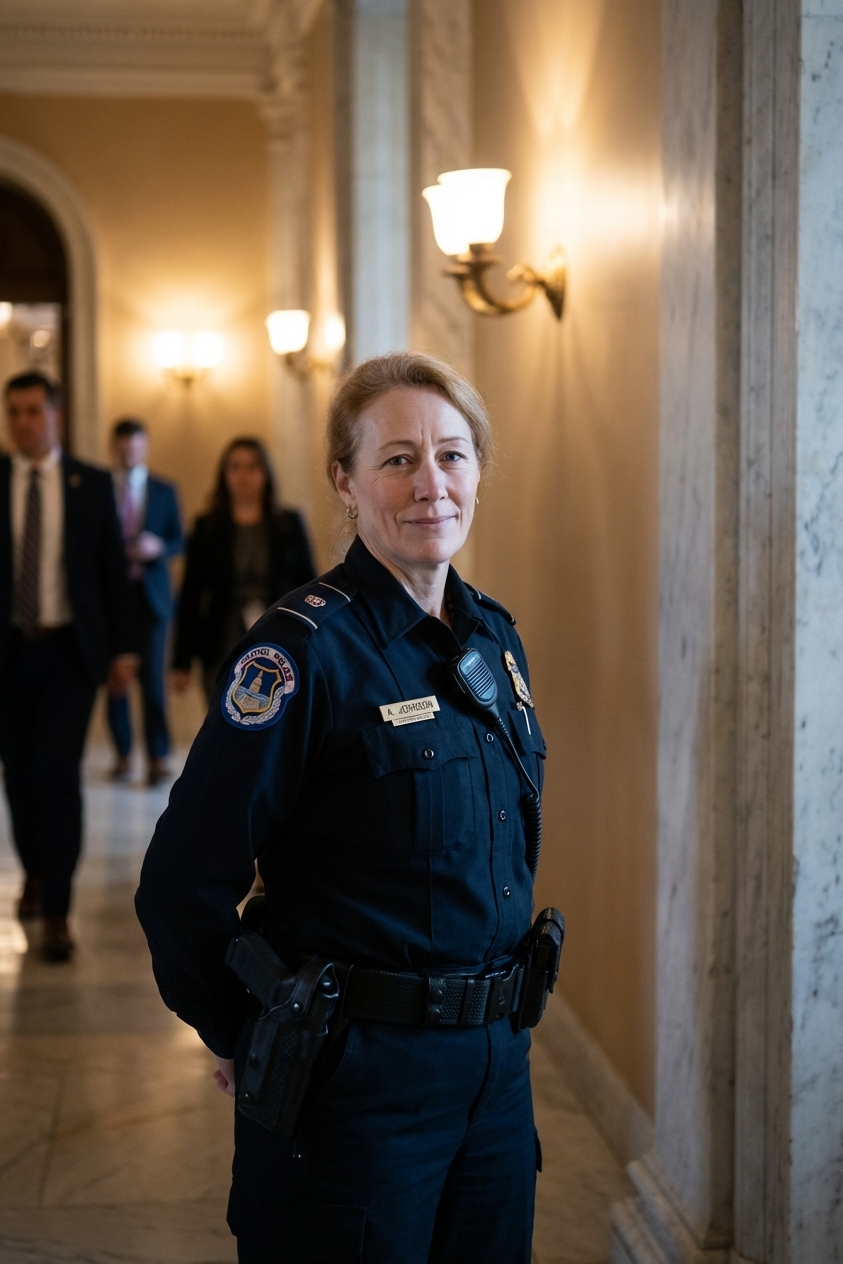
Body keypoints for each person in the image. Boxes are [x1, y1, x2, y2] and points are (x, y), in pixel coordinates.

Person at [136, 353, 550, 1263]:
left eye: (451, 454)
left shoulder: (495, 639)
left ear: (478, 470)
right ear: (346, 482)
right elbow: (180, 881)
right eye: (396, 458)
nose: (429, 484)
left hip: (494, 1075)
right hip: (357, 1084)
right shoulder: (302, 654)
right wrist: (246, 1031)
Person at [0, 372, 136, 961]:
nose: (24, 422)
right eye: (14, 413)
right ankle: (33, 871)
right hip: (7, 652)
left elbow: (113, 571)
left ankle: (57, 909)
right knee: (19, 777)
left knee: (56, 776)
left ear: (55, 413)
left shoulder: (89, 483)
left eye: (34, 411)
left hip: (67, 655)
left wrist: (123, 650)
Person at [171, 437, 315, 702]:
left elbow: (309, 588)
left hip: (279, 638)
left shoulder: (289, 525)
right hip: (220, 641)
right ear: (224, 475)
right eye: (235, 467)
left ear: (265, 473)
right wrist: (181, 662)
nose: (243, 475)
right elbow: (191, 594)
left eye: (252, 467)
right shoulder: (207, 527)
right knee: (224, 720)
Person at [107, 418, 183, 786]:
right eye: (123, 445)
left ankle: (157, 756)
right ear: (115, 447)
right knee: (115, 682)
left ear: (145, 447)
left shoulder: (165, 490)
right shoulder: (101, 488)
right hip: (113, 598)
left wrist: (158, 547)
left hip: (152, 597)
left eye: (135, 445)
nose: (129, 451)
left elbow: (178, 540)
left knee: (153, 680)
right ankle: (123, 753)